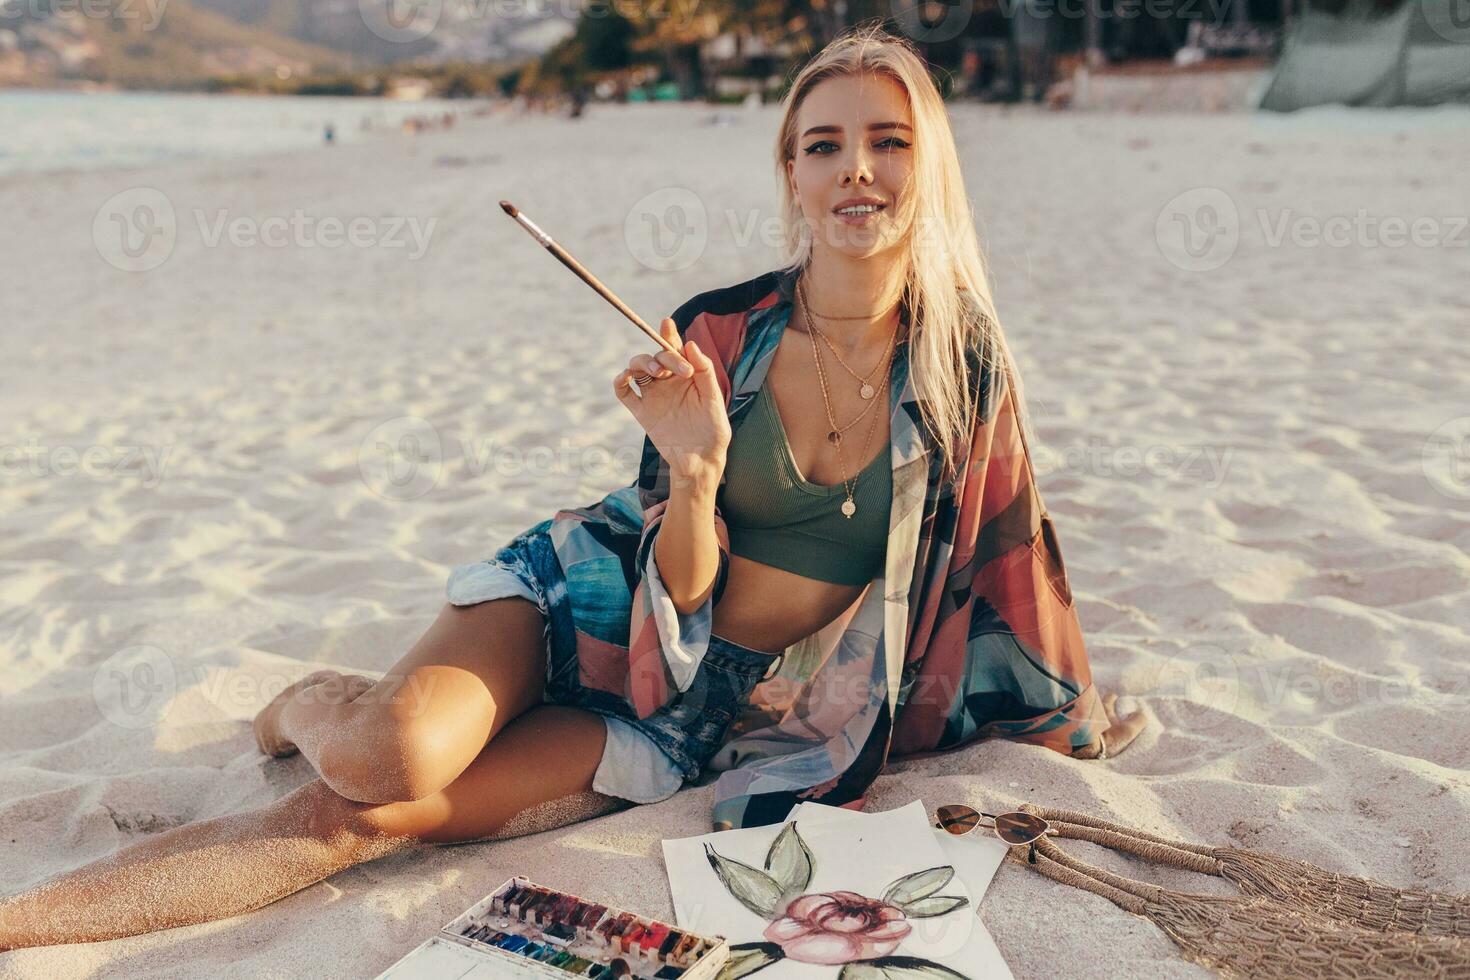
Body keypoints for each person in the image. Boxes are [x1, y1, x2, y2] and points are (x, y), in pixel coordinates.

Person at [0, 24, 1146, 951]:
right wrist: (694, 465)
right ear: (789, 173)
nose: (857, 168)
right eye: (824, 144)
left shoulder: (962, 368)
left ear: (927, 165)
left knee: (364, 822)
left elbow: (1006, 566)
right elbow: (676, 575)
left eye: (888, 142)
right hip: (591, 603)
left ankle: (56, 900)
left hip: (702, 714)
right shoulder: (721, 333)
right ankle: (311, 701)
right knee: (384, 757)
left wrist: (1070, 723)